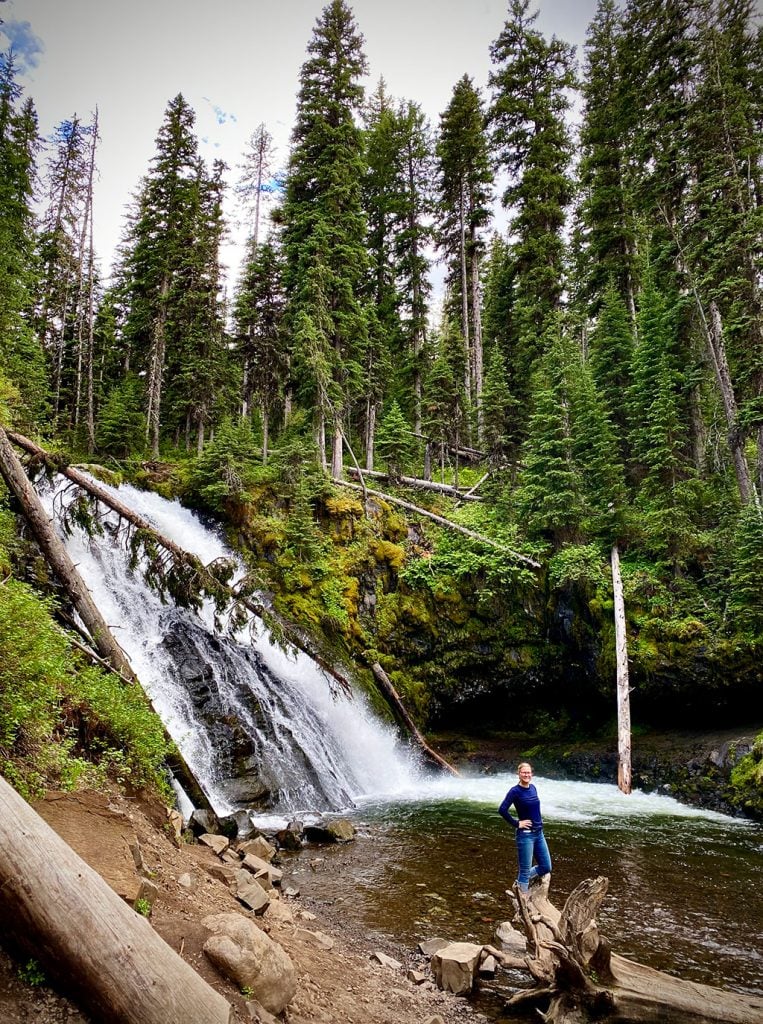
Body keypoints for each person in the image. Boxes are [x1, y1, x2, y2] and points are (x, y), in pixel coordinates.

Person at [498, 761, 552, 893]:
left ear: (531, 774)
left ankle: (520, 884)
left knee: (546, 867)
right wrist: (517, 823)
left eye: (528, 772)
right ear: (519, 774)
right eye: (524, 772)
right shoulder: (515, 791)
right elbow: (502, 809)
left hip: (539, 834)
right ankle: (524, 902)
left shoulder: (533, 787)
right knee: (524, 871)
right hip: (525, 835)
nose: (526, 775)